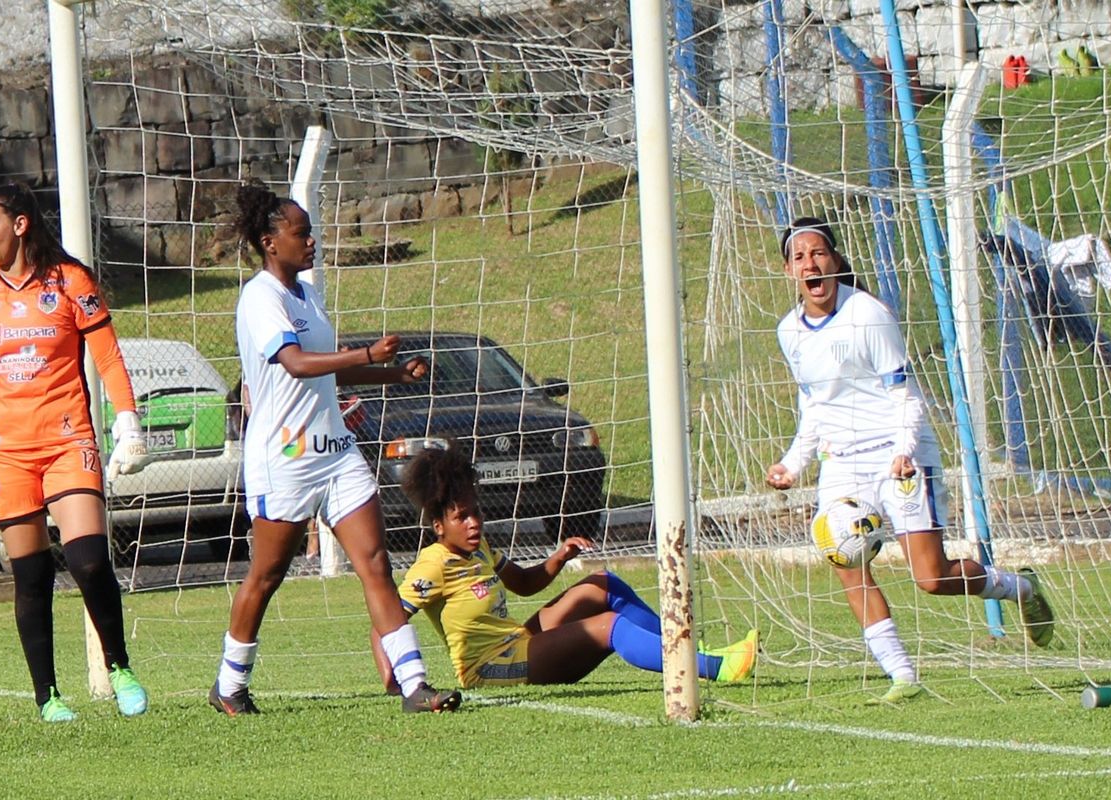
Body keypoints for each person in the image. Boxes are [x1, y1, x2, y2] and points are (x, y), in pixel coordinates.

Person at [764, 216, 1056, 704]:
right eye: (799, 257)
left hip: (897, 452)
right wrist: (794, 464)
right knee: (844, 558)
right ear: (789, 271)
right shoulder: (789, 331)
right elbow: (814, 405)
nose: (810, 264)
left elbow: (905, 397)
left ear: (835, 260)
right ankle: (902, 675)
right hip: (843, 463)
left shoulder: (868, 315)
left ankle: (1018, 588)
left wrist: (902, 451)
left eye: (818, 253)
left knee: (931, 578)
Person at [211, 183, 460, 715]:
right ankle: (229, 684)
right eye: (301, 233)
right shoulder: (260, 297)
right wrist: (367, 351)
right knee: (267, 575)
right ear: (269, 242)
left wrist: (391, 372)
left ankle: (414, 685)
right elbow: (296, 363)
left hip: (336, 452)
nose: (313, 240)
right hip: (285, 459)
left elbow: (326, 372)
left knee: (374, 561)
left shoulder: (307, 295)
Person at [0, 182, 152, 722]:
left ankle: (120, 666)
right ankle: (47, 697)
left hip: (67, 440)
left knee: (88, 560)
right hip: (5, 452)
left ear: (19, 224)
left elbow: (108, 359)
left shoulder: (71, 281)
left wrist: (128, 421)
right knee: (31, 575)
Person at [383, 447, 758, 689]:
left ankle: (684, 646)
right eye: (461, 517)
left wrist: (558, 557)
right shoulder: (432, 565)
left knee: (601, 584)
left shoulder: (479, 548)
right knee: (609, 627)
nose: (473, 523)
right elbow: (390, 617)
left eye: (476, 512)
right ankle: (716, 667)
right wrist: (395, 675)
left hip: (516, 642)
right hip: (489, 668)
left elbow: (526, 584)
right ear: (438, 526)